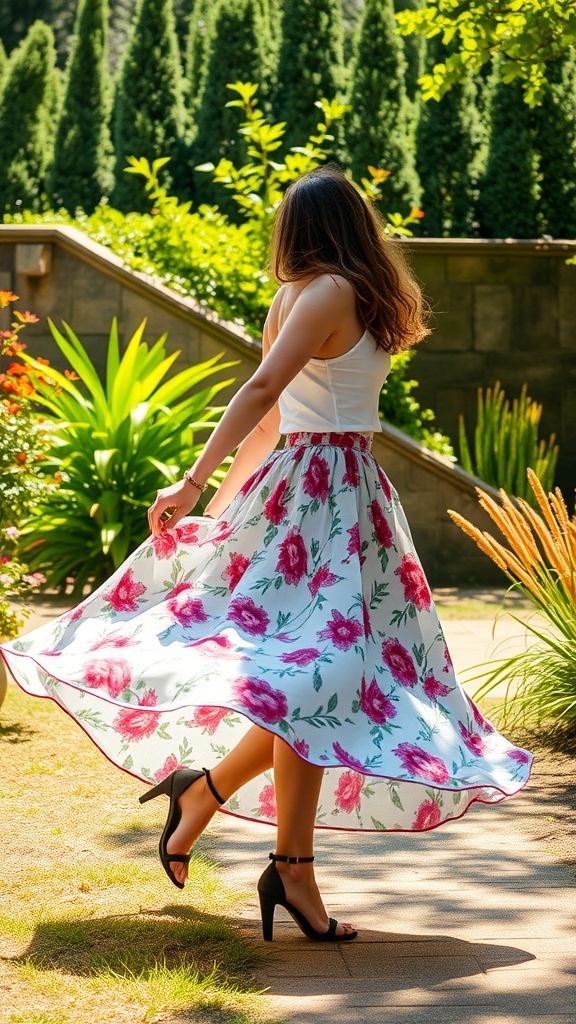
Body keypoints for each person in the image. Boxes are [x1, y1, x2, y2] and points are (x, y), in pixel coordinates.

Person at [0, 166, 532, 944]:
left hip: (342, 498)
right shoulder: (320, 293)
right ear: (353, 226)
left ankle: (208, 796)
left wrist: (214, 502)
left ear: (302, 228)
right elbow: (266, 401)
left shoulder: (326, 294)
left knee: (319, 682)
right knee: (315, 679)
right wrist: (204, 497)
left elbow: (270, 406)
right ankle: (288, 865)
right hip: (317, 495)